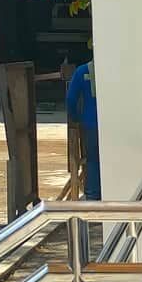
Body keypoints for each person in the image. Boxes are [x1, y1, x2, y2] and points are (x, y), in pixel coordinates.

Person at [65, 60, 101, 200]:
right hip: (112, 123)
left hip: (91, 124)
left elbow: (70, 98)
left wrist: (76, 117)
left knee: (93, 160)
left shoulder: (81, 71)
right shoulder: (114, 69)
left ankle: (92, 195)